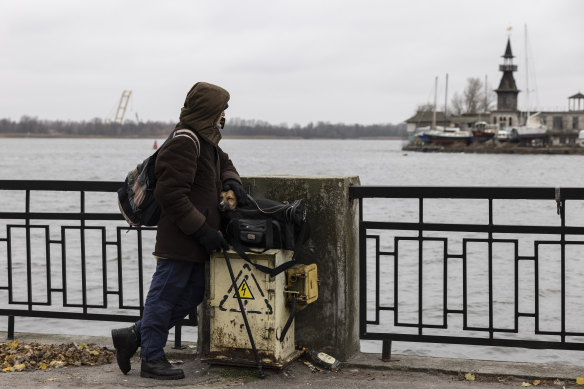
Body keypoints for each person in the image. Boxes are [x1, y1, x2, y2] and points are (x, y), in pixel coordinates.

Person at [111, 82, 249, 380]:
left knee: (193, 294)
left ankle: (134, 335)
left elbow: (223, 162)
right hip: (181, 240)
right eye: (222, 108)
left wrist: (232, 182)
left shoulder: (205, 139)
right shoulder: (185, 141)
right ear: (209, 111)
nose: (225, 113)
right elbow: (170, 195)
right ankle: (152, 359)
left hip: (197, 239)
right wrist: (203, 231)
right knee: (164, 297)